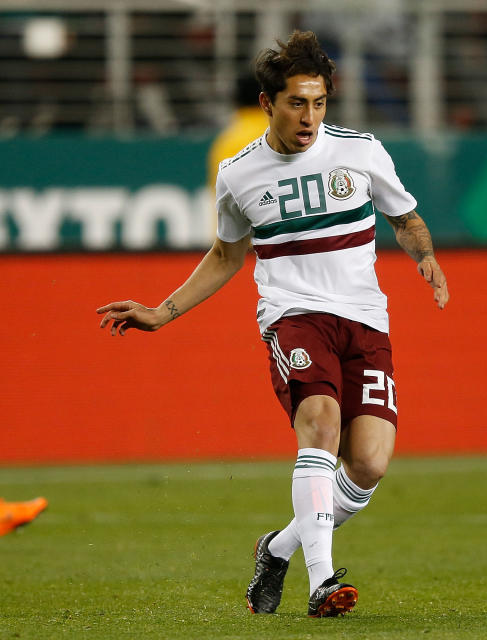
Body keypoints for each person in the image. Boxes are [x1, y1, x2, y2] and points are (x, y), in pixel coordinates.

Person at [97, 31, 449, 618]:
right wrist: (162, 312)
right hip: (293, 314)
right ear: (267, 102)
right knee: (320, 423)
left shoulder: (361, 151)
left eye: (319, 103)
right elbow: (226, 256)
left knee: (368, 464)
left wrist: (426, 254)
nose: (309, 117)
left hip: (365, 318)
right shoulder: (238, 175)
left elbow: (404, 217)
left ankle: (277, 548)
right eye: (296, 103)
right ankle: (321, 583)